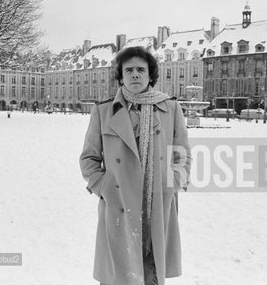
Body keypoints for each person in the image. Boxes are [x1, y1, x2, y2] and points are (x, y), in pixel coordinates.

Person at [79, 46, 192, 285]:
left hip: (156, 202)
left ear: (151, 75)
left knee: (151, 272)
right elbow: (89, 158)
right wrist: (104, 186)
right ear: (121, 76)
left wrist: (172, 184)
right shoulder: (104, 111)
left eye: (141, 69)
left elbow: (182, 155)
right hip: (118, 203)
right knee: (118, 275)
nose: (135, 74)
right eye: (128, 70)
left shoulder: (170, 108)